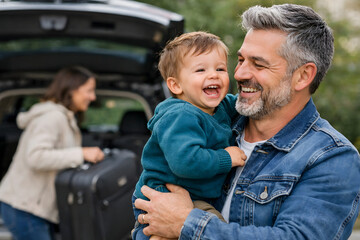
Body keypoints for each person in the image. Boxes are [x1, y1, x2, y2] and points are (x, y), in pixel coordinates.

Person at [134, 4, 360, 240]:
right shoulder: (215, 118)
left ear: (303, 76)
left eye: (258, 64)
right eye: (241, 60)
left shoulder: (331, 157)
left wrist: (186, 223)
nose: (239, 74)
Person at [132, 31, 247, 239]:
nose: (213, 75)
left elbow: (242, 102)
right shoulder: (180, 115)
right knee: (212, 227)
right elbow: (186, 161)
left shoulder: (219, 107)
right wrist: (226, 158)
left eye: (220, 68)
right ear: (176, 85)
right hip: (164, 194)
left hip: (194, 195)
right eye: (200, 70)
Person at [0, 66, 105, 240]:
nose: (93, 97)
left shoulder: (65, 117)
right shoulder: (52, 118)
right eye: (89, 91)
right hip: (23, 208)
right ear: (71, 90)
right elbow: (36, 157)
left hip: (36, 209)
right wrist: (81, 154)